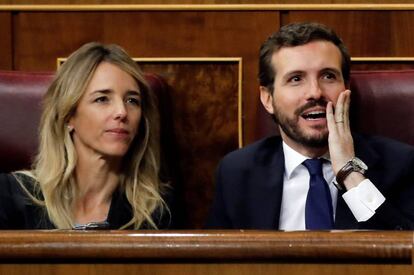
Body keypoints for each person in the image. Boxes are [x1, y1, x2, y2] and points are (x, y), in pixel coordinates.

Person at [207, 22, 414, 230]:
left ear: (346, 89)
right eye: (296, 79)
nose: (315, 92)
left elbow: (403, 252)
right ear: (268, 98)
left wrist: (349, 172)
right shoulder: (236, 172)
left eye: (328, 76)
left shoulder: (399, 164)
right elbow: (217, 260)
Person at [0, 42, 171, 229]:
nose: (122, 112)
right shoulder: (9, 195)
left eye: (132, 100)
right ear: (68, 116)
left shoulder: (158, 209)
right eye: (102, 99)